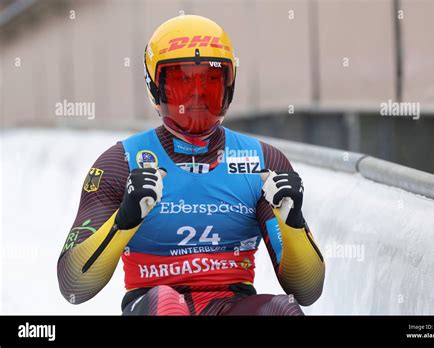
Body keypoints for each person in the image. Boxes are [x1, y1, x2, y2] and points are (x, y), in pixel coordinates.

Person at [57, 14, 325, 316]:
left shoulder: (265, 163)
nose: (197, 96)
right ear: (156, 87)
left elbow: (306, 291)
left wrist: (294, 225)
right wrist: (124, 220)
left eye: (210, 81)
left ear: (229, 85)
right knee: (167, 305)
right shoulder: (119, 164)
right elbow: (73, 286)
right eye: (182, 82)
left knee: (282, 311)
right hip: (154, 304)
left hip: (232, 303)